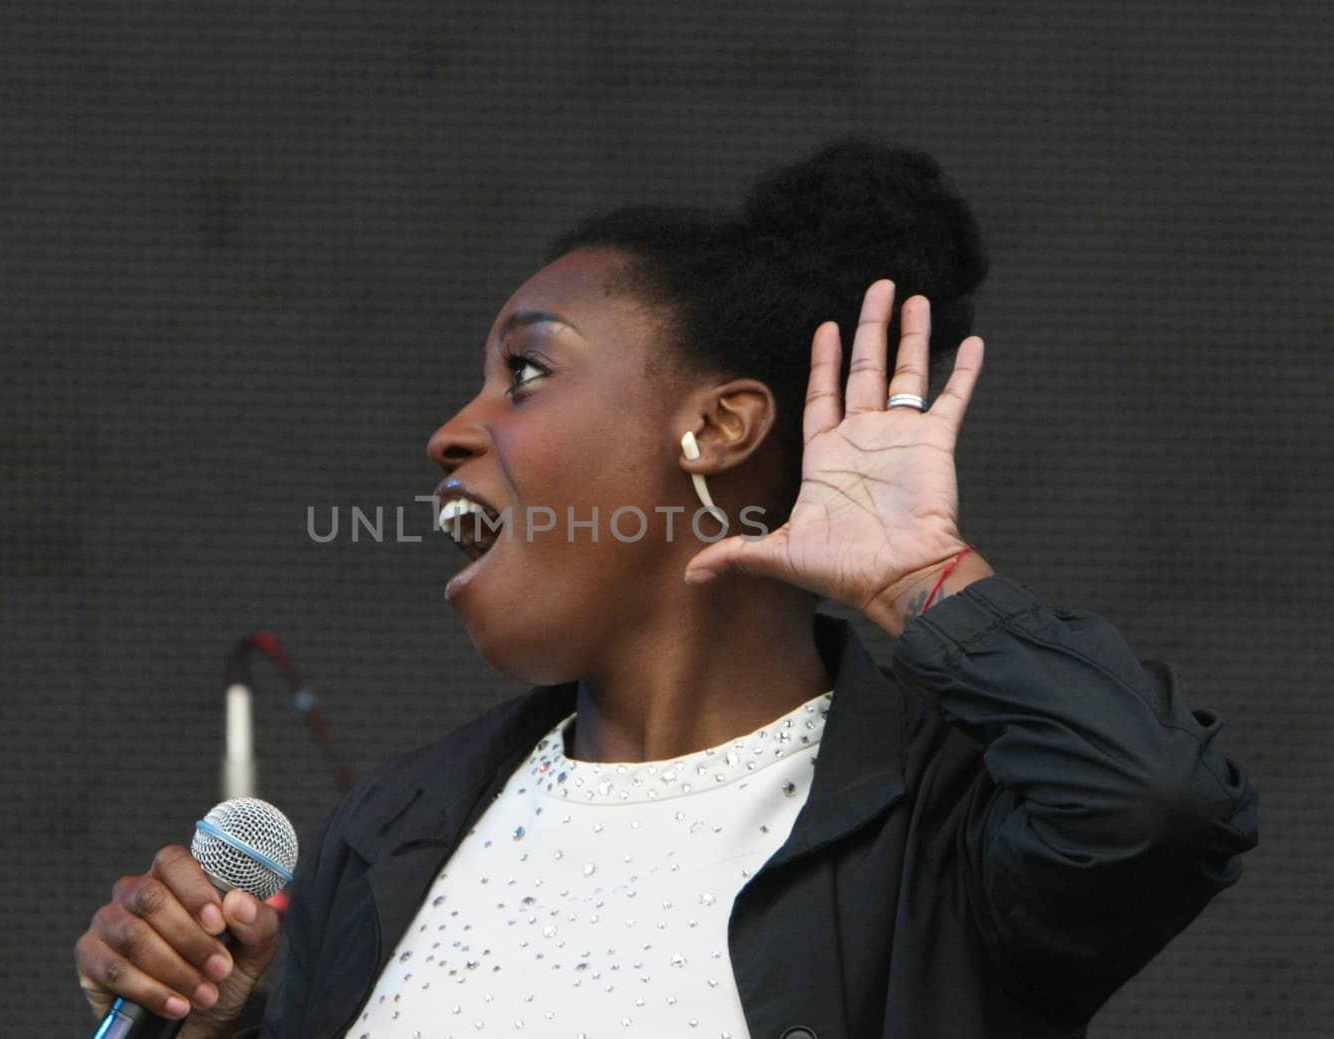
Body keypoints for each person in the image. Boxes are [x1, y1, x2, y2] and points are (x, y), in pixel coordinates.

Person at [74, 139, 1258, 1038]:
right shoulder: (385, 839)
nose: (449, 432)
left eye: (525, 371)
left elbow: (1157, 807)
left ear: (717, 427)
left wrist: (924, 578)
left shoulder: (940, 821)